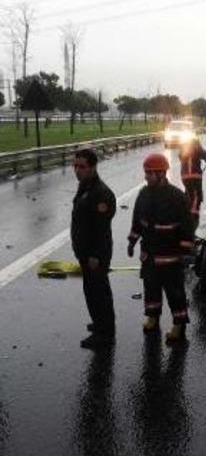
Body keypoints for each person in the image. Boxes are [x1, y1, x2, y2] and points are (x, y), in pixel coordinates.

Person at [127, 153, 194, 344]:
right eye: (145, 173)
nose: (146, 177)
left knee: (175, 294)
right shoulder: (143, 195)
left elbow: (187, 227)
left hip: (170, 257)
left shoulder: (177, 197)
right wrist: (132, 241)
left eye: (149, 173)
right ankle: (153, 318)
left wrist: (185, 251)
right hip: (149, 255)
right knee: (151, 290)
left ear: (161, 173)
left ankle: (179, 327)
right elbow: (137, 221)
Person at [71, 148, 117, 349]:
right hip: (85, 253)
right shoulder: (85, 186)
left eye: (82, 167)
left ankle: (105, 334)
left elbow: (101, 229)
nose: (77, 170)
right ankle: (100, 323)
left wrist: (96, 255)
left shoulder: (101, 193)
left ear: (93, 167)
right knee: (90, 290)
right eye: (75, 166)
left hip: (94, 255)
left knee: (99, 292)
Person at [179, 138, 206, 231]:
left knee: (188, 192)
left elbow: (180, 157)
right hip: (195, 176)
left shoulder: (183, 148)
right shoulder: (197, 146)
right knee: (197, 196)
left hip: (184, 176)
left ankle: (185, 212)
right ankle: (193, 217)